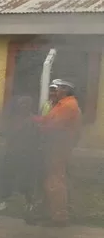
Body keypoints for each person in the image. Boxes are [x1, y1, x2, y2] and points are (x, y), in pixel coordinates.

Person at [34, 80, 81, 227]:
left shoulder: (68, 106)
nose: (55, 91)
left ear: (65, 90)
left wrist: (38, 128)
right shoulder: (61, 105)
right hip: (54, 146)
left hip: (59, 146)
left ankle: (59, 217)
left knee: (56, 181)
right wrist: (33, 120)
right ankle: (52, 212)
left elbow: (54, 126)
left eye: (57, 88)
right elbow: (47, 120)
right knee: (53, 179)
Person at [0, 96, 39, 213]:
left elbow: (36, 137)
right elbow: (4, 133)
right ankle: (4, 201)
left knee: (26, 179)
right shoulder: (13, 120)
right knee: (7, 176)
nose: (23, 106)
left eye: (26, 104)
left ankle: (29, 202)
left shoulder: (33, 121)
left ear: (30, 107)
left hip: (27, 154)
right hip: (11, 152)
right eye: (21, 104)